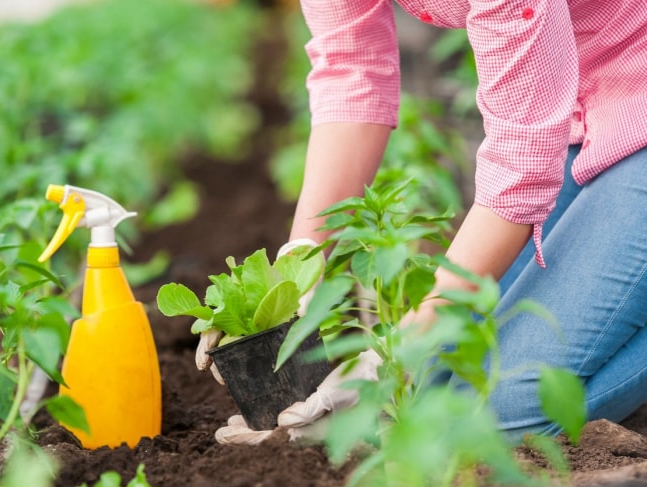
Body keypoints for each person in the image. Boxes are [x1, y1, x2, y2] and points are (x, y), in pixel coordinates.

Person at [197, 0, 647, 445]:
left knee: (499, 417)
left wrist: (392, 360)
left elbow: (522, 163)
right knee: (433, 386)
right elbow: (350, 70)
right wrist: (290, 275)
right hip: (583, 116)